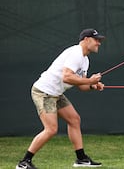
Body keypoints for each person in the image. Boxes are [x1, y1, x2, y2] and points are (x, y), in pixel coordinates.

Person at [16, 29, 106, 169]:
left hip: (56, 93)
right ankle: (24, 162)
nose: (99, 43)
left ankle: (81, 159)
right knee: (51, 129)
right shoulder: (76, 53)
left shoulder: (85, 59)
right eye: (96, 40)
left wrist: (92, 85)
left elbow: (81, 85)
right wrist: (90, 81)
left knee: (74, 119)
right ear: (86, 39)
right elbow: (67, 77)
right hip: (44, 92)